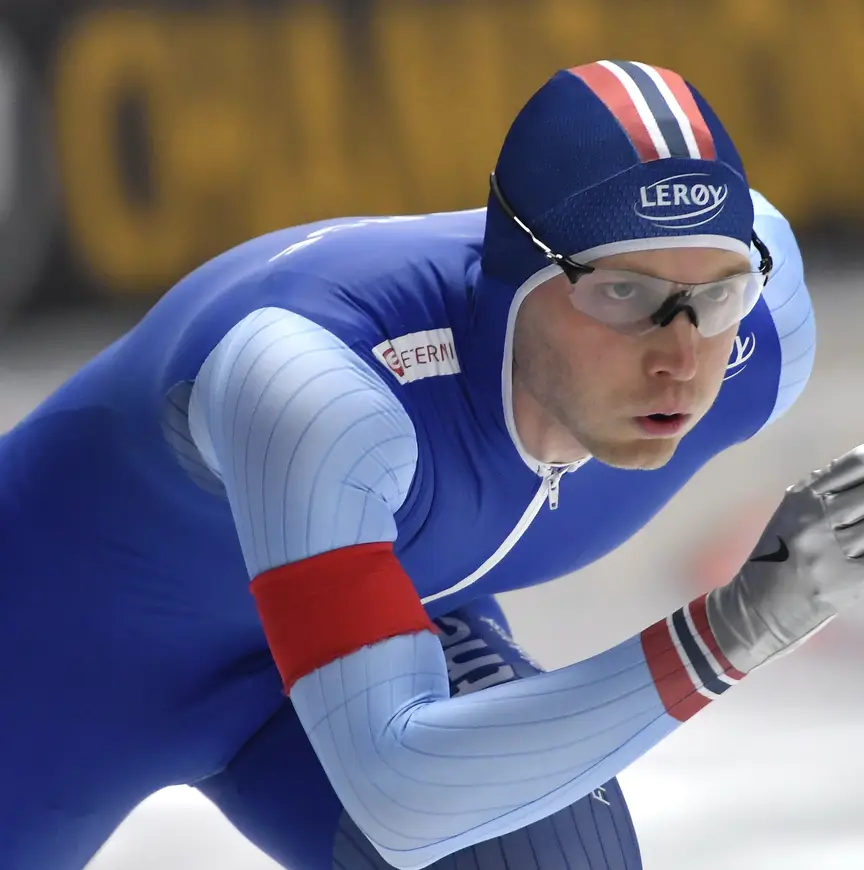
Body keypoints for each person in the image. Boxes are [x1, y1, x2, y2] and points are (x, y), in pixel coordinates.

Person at [7, 58, 861, 870]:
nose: (680, 357)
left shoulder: (762, 334)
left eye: (716, 294)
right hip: (55, 659)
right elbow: (401, 798)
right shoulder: (319, 385)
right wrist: (738, 625)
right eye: (623, 294)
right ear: (515, 278)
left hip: (363, 614)